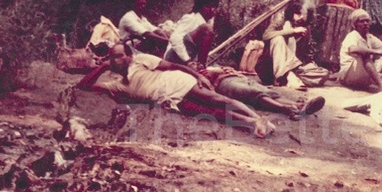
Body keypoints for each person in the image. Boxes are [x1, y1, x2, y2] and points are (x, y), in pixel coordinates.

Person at [78, 43, 274, 137]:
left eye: (119, 56)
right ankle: (253, 122)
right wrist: (102, 67)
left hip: (177, 82)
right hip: (170, 100)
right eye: (112, 58)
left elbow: (172, 66)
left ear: (129, 56)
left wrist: (198, 76)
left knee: (217, 99)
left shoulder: (140, 60)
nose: (115, 60)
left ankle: (258, 117)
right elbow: (83, 85)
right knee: (213, 113)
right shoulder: (117, 84)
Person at [201, 65, 325, 120]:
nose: (195, 63)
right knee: (252, 92)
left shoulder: (212, 65)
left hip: (240, 78)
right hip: (224, 83)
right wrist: (213, 73)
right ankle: (285, 108)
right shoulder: (199, 74)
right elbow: (206, 85)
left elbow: (231, 69)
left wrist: (227, 69)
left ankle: (299, 107)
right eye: (192, 63)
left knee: (267, 92)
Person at [165, 0, 219, 70]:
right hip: (173, 57)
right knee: (207, 28)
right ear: (200, 6)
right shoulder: (191, 18)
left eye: (214, 7)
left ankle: (201, 66)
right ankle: (201, 67)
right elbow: (174, 39)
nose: (211, 10)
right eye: (207, 6)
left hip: (190, 58)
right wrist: (188, 61)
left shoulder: (209, 20)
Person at [262, 0, 307, 87]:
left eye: (302, 14)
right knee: (277, 38)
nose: (301, 16)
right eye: (298, 14)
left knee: (322, 73)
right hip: (270, 69)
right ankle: (286, 77)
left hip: (291, 65)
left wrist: (297, 35)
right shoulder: (280, 21)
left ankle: (290, 76)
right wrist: (293, 31)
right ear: (291, 12)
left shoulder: (296, 24)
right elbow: (266, 36)